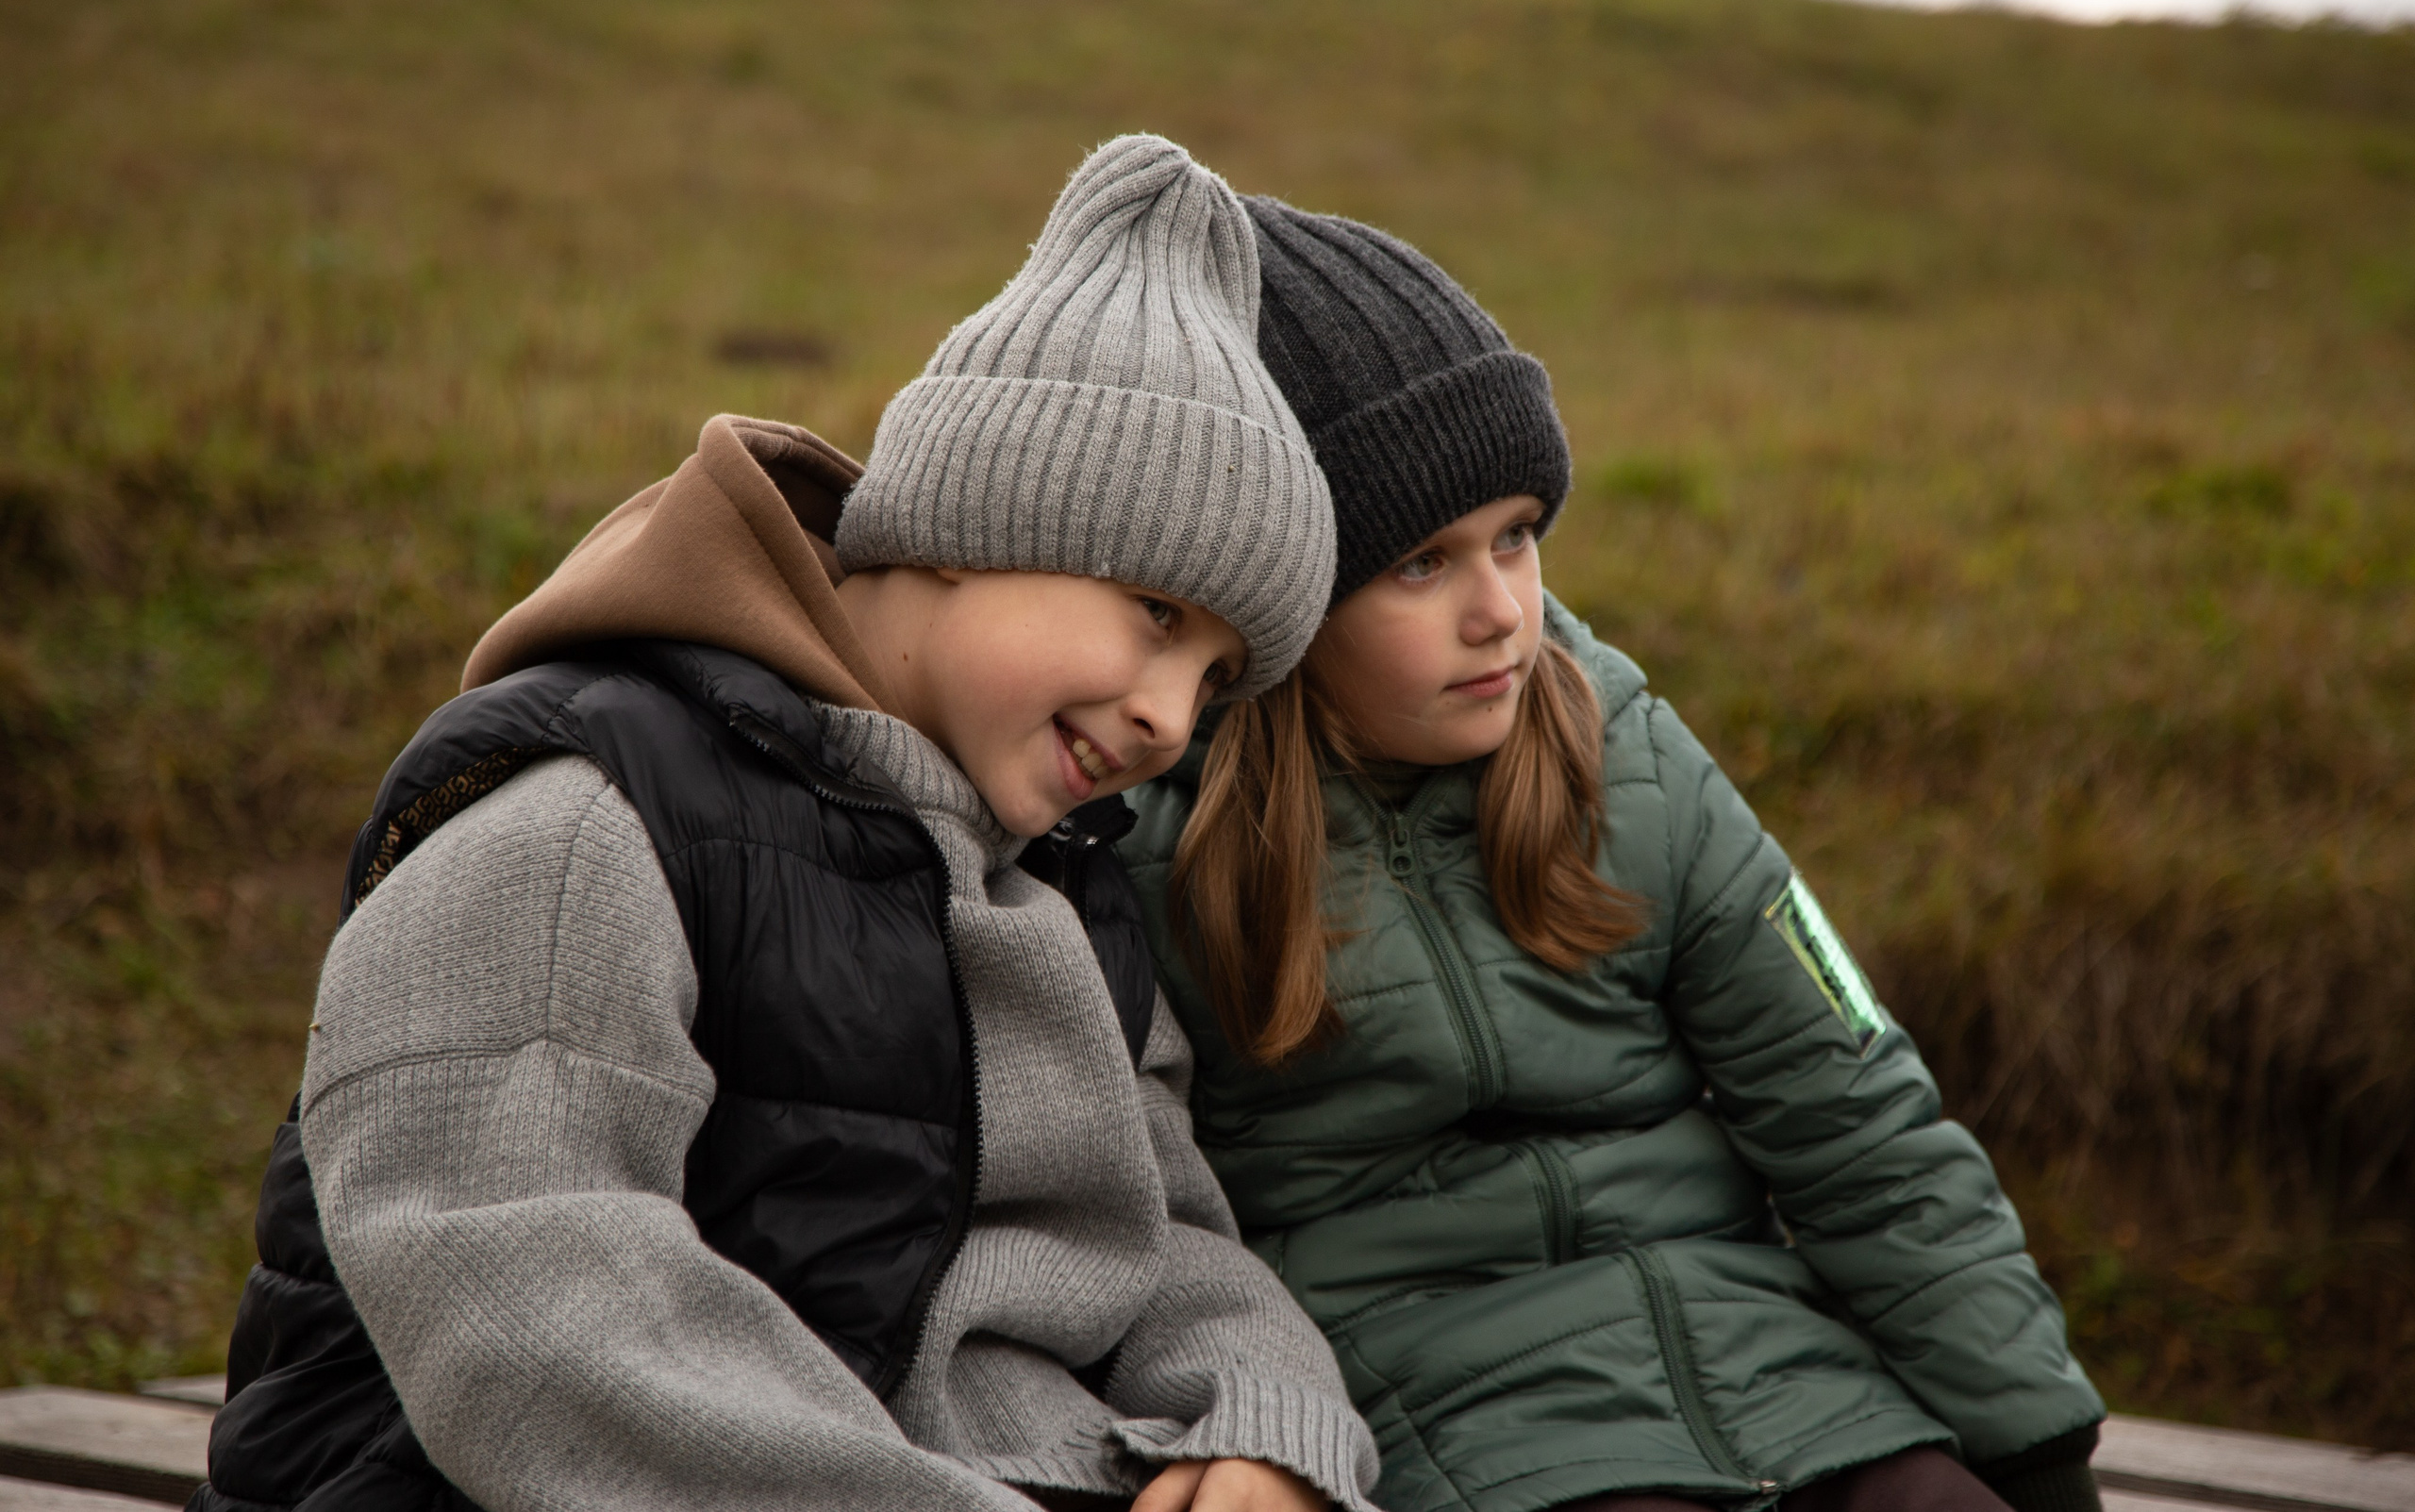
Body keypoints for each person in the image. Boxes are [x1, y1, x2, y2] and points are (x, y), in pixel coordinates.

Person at [192, 138, 1382, 1512]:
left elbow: (1156, 1238)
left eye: (1217, 679)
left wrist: (1266, 1420)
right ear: (962, 525)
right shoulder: (594, 812)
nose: (1175, 718)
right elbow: (531, 1292)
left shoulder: (1060, 897)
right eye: (1157, 616)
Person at [1119, 198, 2107, 1512]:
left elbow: (1859, 1120)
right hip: (1463, 1423)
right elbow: (1143, 1229)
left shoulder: (1623, 750)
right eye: (1422, 564)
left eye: (1518, 536)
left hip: (1789, 1385)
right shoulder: (1151, 838)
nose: (1501, 613)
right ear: (1281, 605)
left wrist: (2036, 1450)